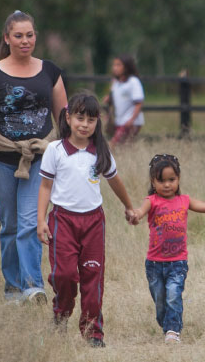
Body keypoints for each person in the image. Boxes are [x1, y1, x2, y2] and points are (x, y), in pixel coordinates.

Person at [0, 10, 67, 304]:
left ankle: (32, 286)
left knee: (31, 221)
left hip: (40, 157)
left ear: (35, 37)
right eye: (18, 36)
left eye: (30, 35)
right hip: (2, 158)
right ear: (7, 38)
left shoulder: (50, 71)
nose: (25, 41)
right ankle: (12, 288)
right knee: (10, 224)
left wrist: (70, 154)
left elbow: (63, 116)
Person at [36, 93, 135, 348]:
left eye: (91, 120)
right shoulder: (54, 150)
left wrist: (129, 207)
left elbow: (114, 180)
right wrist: (41, 220)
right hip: (62, 221)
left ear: (97, 123)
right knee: (65, 275)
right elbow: (45, 186)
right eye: (80, 118)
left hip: (93, 223)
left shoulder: (100, 151)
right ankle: (62, 312)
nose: (84, 124)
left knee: (93, 276)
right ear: (68, 118)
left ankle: (93, 332)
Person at [129, 154, 205, 344]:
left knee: (173, 296)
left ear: (178, 179)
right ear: (153, 181)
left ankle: (173, 330)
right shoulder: (151, 200)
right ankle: (167, 324)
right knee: (160, 300)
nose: (167, 185)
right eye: (161, 180)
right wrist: (133, 215)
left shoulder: (184, 200)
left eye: (172, 179)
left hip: (178, 262)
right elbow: (139, 212)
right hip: (154, 263)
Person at [102, 54, 144, 145]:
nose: (115, 68)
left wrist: (132, 119)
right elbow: (115, 99)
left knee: (113, 145)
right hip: (119, 121)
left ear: (126, 67)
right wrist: (109, 99)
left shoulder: (133, 82)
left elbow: (139, 102)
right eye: (114, 65)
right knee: (124, 146)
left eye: (118, 65)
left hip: (129, 121)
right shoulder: (115, 82)